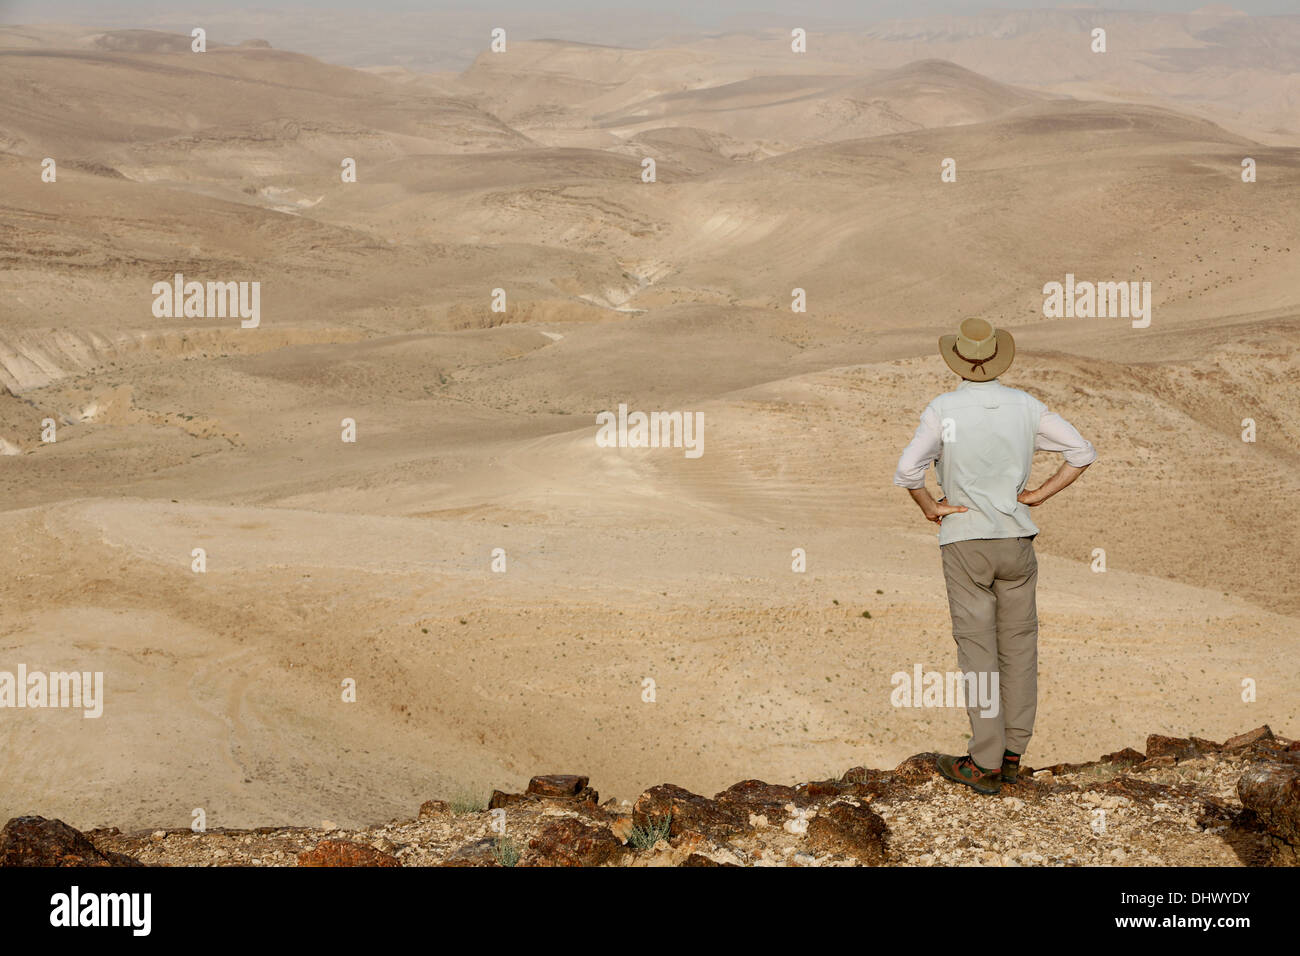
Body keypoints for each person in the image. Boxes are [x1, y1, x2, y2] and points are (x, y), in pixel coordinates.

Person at [893, 317, 1096, 794]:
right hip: (1017, 540)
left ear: (958, 359)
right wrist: (1039, 495)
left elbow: (907, 470)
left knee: (978, 650)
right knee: (1020, 647)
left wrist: (930, 507)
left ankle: (982, 761)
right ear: (998, 358)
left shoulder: (943, 408)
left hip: (965, 541)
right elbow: (1082, 452)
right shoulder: (1026, 407)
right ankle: (1012, 754)